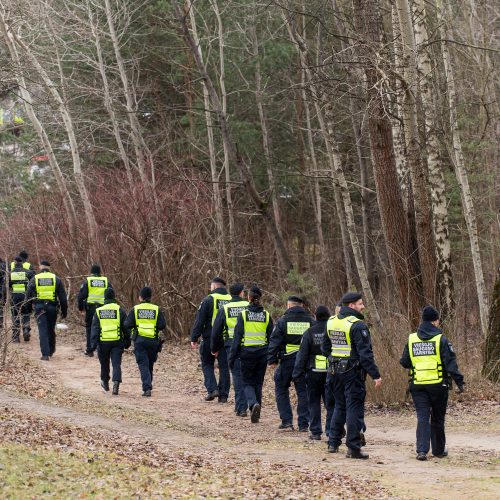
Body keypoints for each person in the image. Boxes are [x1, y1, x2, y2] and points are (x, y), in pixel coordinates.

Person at [400, 306, 465, 461]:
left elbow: (404, 362)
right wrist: (460, 382)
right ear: (435, 321)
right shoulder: (441, 339)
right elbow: (451, 364)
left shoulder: (412, 339)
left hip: (418, 385)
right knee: (437, 418)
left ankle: (421, 451)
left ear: (423, 320)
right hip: (438, 385)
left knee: (422, 416)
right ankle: (438, 450)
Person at [322, 292, 382, 459]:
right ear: (351, 306)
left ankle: (333, 443)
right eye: (360, 304)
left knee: (340, 406)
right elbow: (365, 355)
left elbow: (325, 348)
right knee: (354, 408)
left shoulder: (331, 321)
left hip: (334, 371)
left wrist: (336, 360)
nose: (363, 307)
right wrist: (375, 375)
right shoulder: (357, 325)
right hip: (352, 373)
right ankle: (354, 448)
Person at [268, 295, 313, 431]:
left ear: (289, 306)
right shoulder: (311, 321)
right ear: (302, 306)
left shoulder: (283, 321)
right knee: (303, 392)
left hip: (287, 361)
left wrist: (272, 360)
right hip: (305, 363)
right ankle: (304, 424)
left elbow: (274, 341)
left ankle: (287, 421)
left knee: (281, 388)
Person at [229, 286, 273, 423]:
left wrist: (232, 357)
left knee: (247, 382)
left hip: (247, 353)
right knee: (258, 383)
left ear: (249, 298)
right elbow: (271, 336)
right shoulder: (266, 315)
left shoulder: (243, 315)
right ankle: (256, 412)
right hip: (262, 353)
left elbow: (237, 337)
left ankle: (253, 404)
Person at [293, 305, 334, 440]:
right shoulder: (333, 331)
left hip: (313, 373)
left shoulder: (309, 332)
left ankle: (316, 431)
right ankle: (330, 430)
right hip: (331, 372)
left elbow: (302, 355)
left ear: (315, 316)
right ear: (329, 316)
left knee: (314, 402)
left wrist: (297, 373)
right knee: (330, 403)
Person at [191, 277, 232, 402]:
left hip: (209, 337)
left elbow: (200, 321)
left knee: (207, 364)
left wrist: (194, 337)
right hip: (226, 338)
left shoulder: (208, 300)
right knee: (224, 367)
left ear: (214, 287)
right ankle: (224, 396)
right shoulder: (232, 300)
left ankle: (213, 389)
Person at [211, 282, 249, 414]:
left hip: (231, 345)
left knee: (237, 374)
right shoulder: (249, 306)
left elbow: (216, 331)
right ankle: (252, 404)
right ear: (241, 293)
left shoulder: (225, 309)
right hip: (249, 344)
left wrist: (214, 348)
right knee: (248, 375)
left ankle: (241, 407)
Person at [124, 287, 166, 397]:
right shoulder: (156, 309)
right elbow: (162, 325)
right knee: (150, 364)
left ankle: (147, 388)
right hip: (153, 341)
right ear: (150, 297)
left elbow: (127, 324)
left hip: (140, 341)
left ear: (140, 297)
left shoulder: (135, 309)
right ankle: (148, 385)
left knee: (143, 364)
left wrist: (135, 328)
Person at [89, 288, 130, 395]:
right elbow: (125, 327)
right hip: (117, 342)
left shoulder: (98, 311)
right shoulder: (119, 310)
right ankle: (116, 382)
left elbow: (95, 329)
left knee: (104, 363)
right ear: (114, 297)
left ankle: (105, 382)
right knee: (116, 364)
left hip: (103, 343)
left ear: (105, 297)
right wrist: (127, 340)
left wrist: (92, 345)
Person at [26, 260, 68, 361]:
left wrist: (28, 309)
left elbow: (28, 295)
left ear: (41, 267)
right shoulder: (56, 279)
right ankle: (51, 350)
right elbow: (63, 297)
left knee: (42, 330)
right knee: (50, 329)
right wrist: (64, 311)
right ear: (49, 268)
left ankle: (45, 354)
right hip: (52, 308)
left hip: (40, 308)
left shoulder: (34, 279)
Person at [77, 264, 111, 357]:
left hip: (91, 308)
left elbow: (81, 297)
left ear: (91, 272)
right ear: (100, 272)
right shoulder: (106, 281)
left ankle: (90, 350)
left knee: (90, 328)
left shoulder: (88, 281)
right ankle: (102, 349)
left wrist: (80, 308)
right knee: (102, 328)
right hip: (103, 309)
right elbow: (111, 294)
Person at [9, 256, 35, 342]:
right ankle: (26, 329)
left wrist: (5, 298)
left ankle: (16, 337)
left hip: (14, 297)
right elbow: (33, 285)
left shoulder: (10, 273)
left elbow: (6, 287)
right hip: (25, 296)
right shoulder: (28, 272)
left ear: (15, 262)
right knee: (25, 314)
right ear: (22, 263)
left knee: (15, 315)